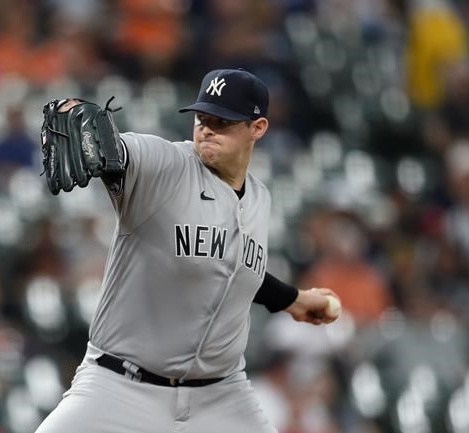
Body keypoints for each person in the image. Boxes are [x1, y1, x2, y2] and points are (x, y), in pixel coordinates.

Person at [34, 68, 340, 433]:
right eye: (202, 118)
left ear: (257, 128)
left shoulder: (260, 198)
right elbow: (121, 152)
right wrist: (75, 109)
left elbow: (231, 267)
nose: (207, 128)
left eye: (222, 121)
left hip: (221, 397)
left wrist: (294, 300)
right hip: (120, 387)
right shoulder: (167, 167)